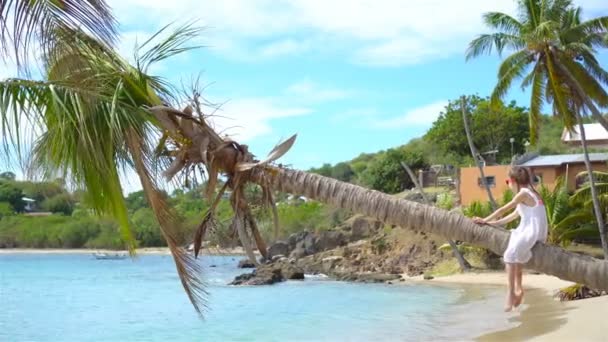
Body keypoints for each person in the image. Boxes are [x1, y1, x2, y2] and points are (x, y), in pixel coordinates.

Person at [473, 166, 548, 312]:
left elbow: (503, 210)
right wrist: (489, 223)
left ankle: (510, 292)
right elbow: (510, 217)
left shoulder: (523, 193)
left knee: (509, 256)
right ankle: (519, 290)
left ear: (513, 181)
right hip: (530, 230)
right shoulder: (531, 193)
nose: (508, 184)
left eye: (507, 181)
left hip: (532, 231)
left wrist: (483, 218)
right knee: (516, 257)